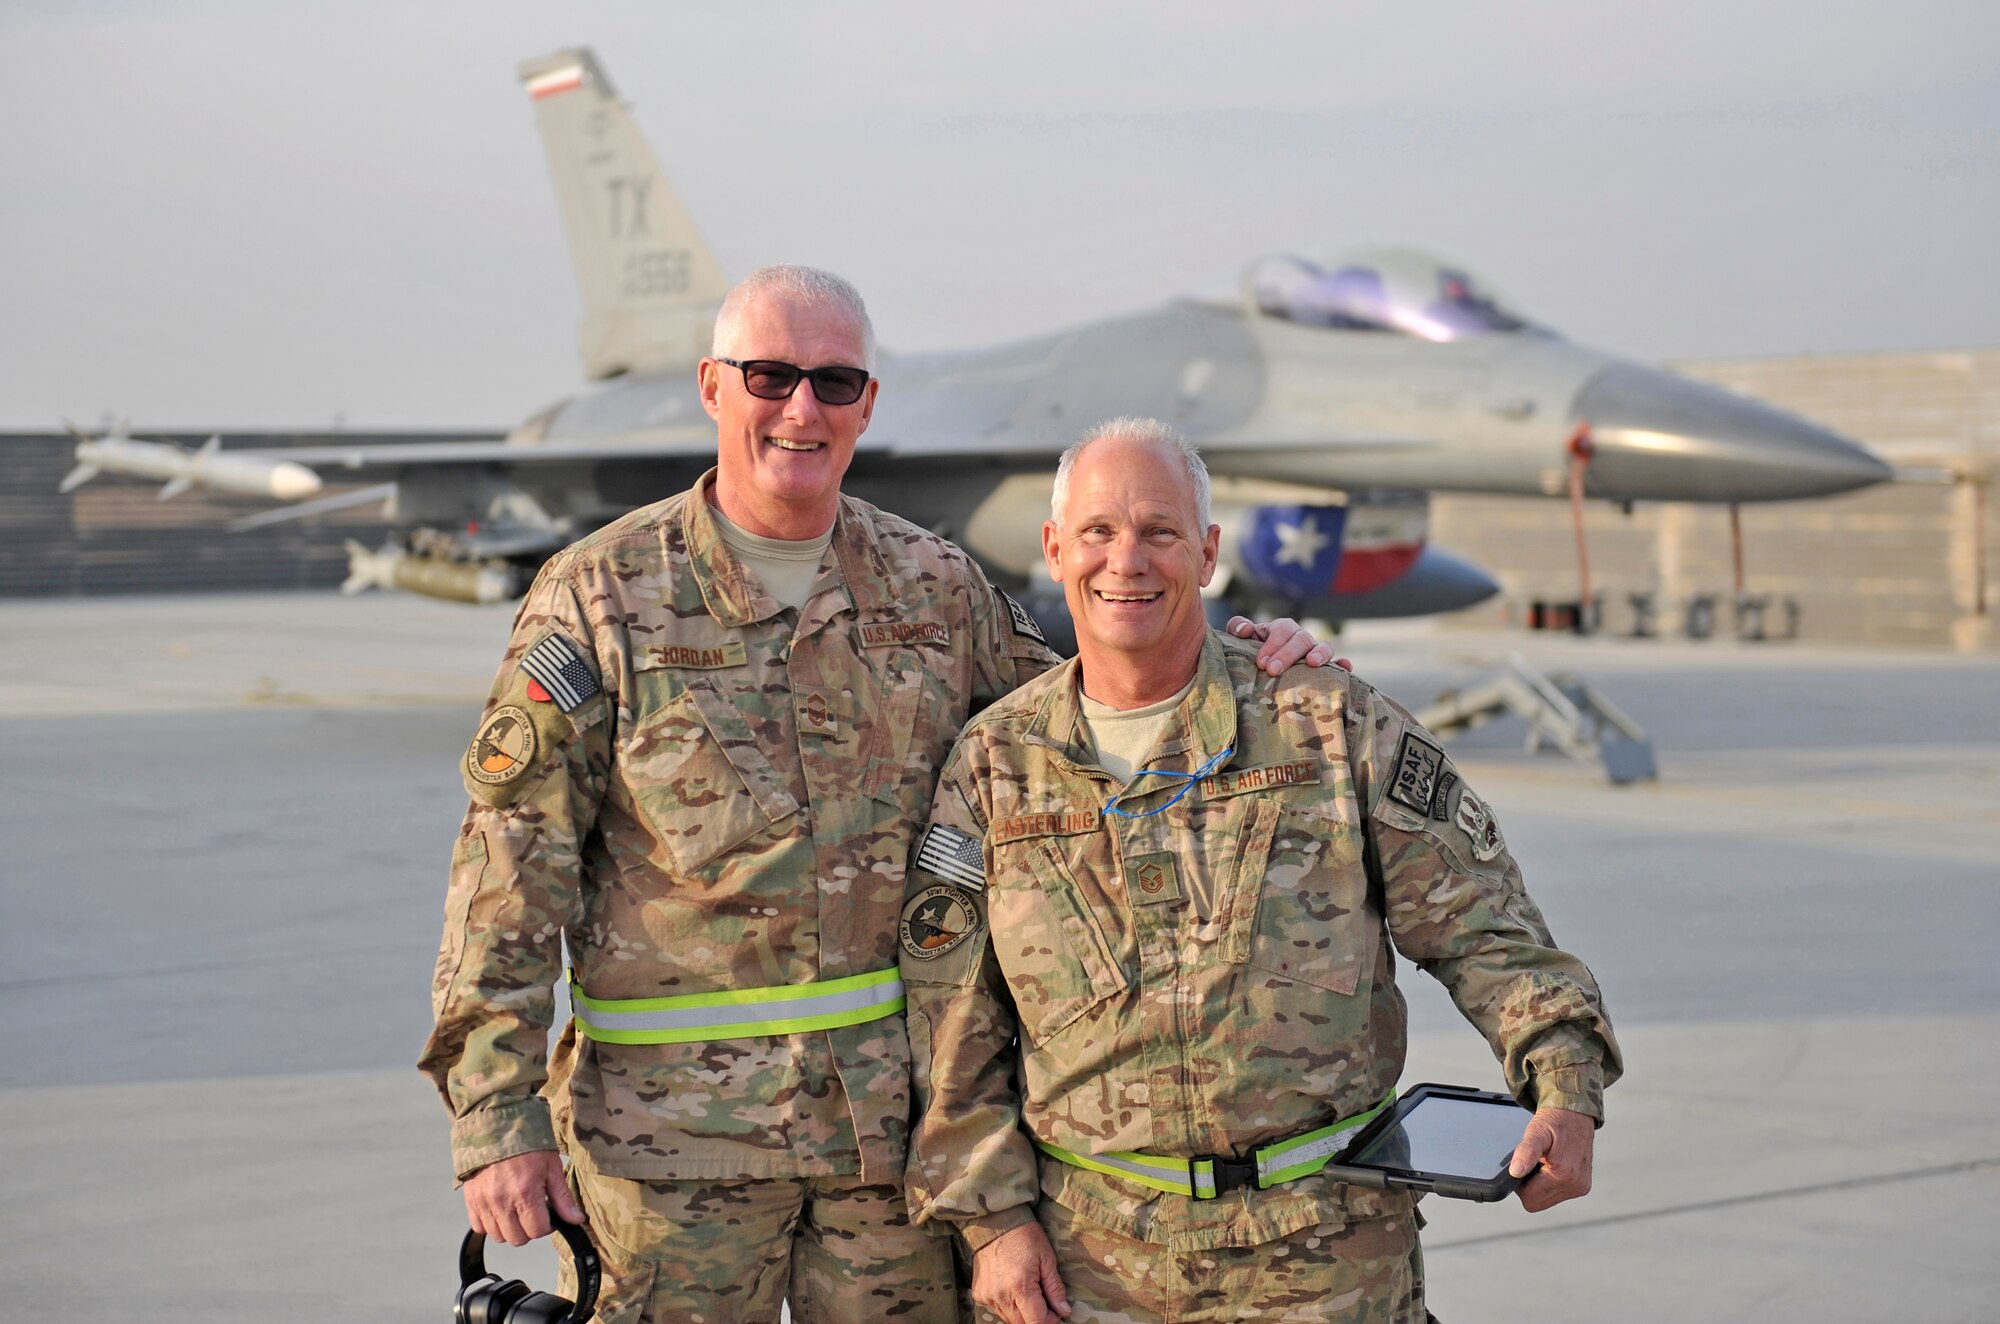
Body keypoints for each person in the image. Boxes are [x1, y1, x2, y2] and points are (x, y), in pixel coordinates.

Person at [419, 269, 1334, 1324]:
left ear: (867, 403)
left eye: (833, 381)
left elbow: (1086, 708)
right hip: (669, 1158)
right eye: (770, 376)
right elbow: (507, 863)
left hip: (891, 1155)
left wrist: (1249, 660)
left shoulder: (932, 587)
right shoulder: (601, 594)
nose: (800, 408)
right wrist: (495, 1115)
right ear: (714, 387)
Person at [901, 417, 1622, 1324]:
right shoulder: (995, 764)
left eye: (1160, 532)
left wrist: (1565, 1087)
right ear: (1054, 549)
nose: (1127, 560)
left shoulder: (1329, 724)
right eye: (1098, 531)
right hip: (1096, 1268)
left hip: (1326, 1259)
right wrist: (991, 1221)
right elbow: (951, 1022)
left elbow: (1487, 930)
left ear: (1206, 554)